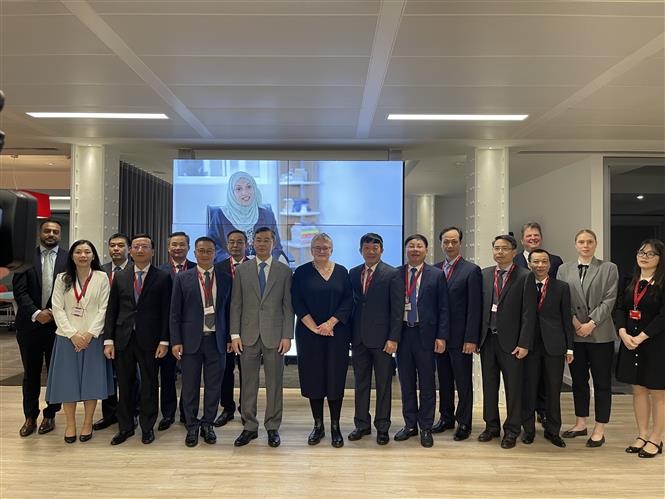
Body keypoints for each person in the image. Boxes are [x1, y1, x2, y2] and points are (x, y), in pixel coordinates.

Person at [104, 234, 172, 445]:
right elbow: (112, 310)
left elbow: (166, 312)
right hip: (124, 338)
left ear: (152, 251)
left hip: (151, 340)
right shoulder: (121, 277)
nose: (140, 250)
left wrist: (164, 340)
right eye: (136, 246)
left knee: (149, 384)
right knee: (124, 384)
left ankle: (147, 426)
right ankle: (125, 427)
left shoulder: (162, 277)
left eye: (145, 246)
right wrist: (108, 340)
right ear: (131, 251)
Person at [230, 227, 294, 448]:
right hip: (247, 336)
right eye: (258, 240)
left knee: (274, 383)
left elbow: (288, 307)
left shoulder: (284, 271)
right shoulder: (242, 270)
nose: (262, 244)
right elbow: (236, 304)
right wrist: (235, 334)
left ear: (273, 243)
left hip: (275, 336)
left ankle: (273, 426)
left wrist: (287, 335)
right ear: (252, 243)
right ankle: (249, 426)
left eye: (266, 240)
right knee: (248, 383)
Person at [46, 240, 114, 443]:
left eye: (87, 252)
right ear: (72, 256)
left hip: (93, 338)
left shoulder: (101, 277)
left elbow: (105, 308)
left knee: (91, 382)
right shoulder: (62, 278)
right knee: (68, 383)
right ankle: (70, 425)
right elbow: (56, 308)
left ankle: (87, 423)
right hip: (67, 339)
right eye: (78, 252)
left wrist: (90, 334)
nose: (83, 255)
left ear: (93, 256)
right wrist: (72, 334)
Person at [557, 228, 618, 447]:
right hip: (575, 335)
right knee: (579, 382)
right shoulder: (564, 269)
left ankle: (600, 427)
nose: (585, 245)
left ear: (595, 244)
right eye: (581, 241)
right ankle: (580, 422)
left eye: (589, 241)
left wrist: (591, 323)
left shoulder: (609, 268)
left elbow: (610, 299)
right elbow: (561, 298)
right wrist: (575, 323)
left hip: (600, 334)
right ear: (575, 245)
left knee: (601, 383)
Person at [291, 233, 353, 448]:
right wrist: (315, 328)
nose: (321, 251)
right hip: (309, 335)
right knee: (313, 378)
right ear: (311, 250)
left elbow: (348, 302)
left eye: (325, 247)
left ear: (331, 249)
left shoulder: (342, 272)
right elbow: (297, 302)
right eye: (317, 247)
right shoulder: (301, 272)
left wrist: (329, 324)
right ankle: (318, 425)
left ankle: (335, 426)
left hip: (337, 333)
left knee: (335, 378)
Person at [170, 237, 232, 447]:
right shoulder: (183, 278)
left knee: (214, 386)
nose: (205, 254)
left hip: (217, 340)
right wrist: (176, 340)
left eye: (209, 251)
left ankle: (208, 424)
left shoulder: (225, 278)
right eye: (201, 251)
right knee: (189, 386)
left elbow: (230, 311)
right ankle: (192, 425)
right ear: (194, 253)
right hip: (190, 342)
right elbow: (175, 313)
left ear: (215, 253)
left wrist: (231, 337)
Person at [478, 234, 536, 449]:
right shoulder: (484, 274)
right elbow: (479, 309)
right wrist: (476, 339)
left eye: (504, 248)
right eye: (496, 248)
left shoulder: (524, 276)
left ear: (513, 252)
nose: (499, 252)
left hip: (512, 343)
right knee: (489, 386)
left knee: (513, 388)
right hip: (487, 340)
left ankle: (512, 430)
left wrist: (524, 343)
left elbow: (529, 314)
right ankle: (491, 426)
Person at [394, 234, 449, 448]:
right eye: (411, 246)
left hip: (426, 335)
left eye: (419, 246)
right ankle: (410, 425)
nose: (415, 249)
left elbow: (443, 308)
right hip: (403, 334)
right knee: (406, 382)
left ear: (426, 250)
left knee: (427, 383)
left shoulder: (436, 275)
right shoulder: (396, 274)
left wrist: (442, 336)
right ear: (406, 249)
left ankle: (425, 426)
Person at [347, 233, 403, 445]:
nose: (370, 252)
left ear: (381, 250)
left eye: (375, 248)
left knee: (383, 385)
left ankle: (382, 427)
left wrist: (393, 338)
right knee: (360, 385)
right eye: (366, 248)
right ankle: (361, 424)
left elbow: (397, 310)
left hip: (383, 341)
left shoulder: (392, 274)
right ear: (360, 250)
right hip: (359, 339)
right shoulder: (353, 273)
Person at [13, 218, 67, 437]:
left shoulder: (67, 258)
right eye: (47, 231)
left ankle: (51, 414)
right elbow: (20, 291)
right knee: (31, 373)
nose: (51, 234)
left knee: (55, 374)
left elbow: (70, 291)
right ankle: (30, 416)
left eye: (55, 231)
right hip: (30, 326)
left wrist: (54, 313)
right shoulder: (25, 258)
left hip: (57, 327)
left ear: (60, 235)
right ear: (40, 233)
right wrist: (37, 313)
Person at [615, 239, 665, 458]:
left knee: (658, 393)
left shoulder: (662, 282)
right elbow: (620, 308)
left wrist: (642, 336)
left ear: (660, 259)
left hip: (656, 344)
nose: (644, 256)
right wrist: (623, 333)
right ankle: (642, 434)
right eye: (641, 252)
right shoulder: (629, 279)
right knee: (638, 390)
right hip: (630, 341)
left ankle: (656, 438)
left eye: (651, 254)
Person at [521, 249, 574, 448]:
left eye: (544, 262)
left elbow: (566, 319)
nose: (540, 265)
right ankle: (528, 430)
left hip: (554, 346)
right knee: (529, 388)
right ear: (529, 264)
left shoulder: (562, 287)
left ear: (550, 265)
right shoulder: (523, 285)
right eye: (536, 262)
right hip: (530, 346)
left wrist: (570, 348)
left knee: (553, 390)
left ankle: (553, 431)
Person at [433, 226, 482, 441]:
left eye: (454, 241)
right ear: (441, 244)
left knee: (463, 382)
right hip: (438, 338)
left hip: (461, 338)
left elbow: (475, 308)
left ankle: (464, 422)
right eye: (446, 241)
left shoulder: (471, 270)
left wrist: (471, 338)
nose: (450, 245)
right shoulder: (434, 270)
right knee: (443, 380)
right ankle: (446, 418)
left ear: (460, 243)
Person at [513, 221, 564, 425]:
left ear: (541, 238)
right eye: (529, 236)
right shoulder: (514, 260)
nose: (533, 239)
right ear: (522, 239)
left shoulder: (555, 261)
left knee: (546, 378)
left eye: (536, 236)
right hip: (523, 329)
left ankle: (543, 412)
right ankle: (527, 417)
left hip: (548, 330)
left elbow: (558, 292)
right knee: (526, 377)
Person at [93, 232, 138, 431]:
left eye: (120, 245)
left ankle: (132, 412)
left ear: (128, 248)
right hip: (103, 330)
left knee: (131, 376)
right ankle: (110, 414)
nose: (116, 249)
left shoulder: (135, 270)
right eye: (112, 245)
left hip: (130, 332)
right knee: (107, 375)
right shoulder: (100, 271)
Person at [157, 231, 196, 431]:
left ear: (188, 247)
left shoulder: (198, 270)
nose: (178, 248)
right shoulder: (159, 271)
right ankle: (168, 413)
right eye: (174, 245)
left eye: (182, 244)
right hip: (166, 332)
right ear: (168, 247)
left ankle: (187, 412)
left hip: (191, 332)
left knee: (190, 375)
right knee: (167, 374)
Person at [208, 171, 284, 262]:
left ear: (254, 188)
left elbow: (276, 247)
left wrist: (268, 261)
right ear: (231, 193)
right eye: (238, 189)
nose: (245, 192)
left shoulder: (267, 215)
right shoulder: (220, 215)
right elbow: (211, 246)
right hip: (231, 269)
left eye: (249, 187)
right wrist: (234, 261)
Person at [214, 229, 248, 427]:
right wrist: (227, 334)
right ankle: (227, 408)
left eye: (239, 242)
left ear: (246, 245)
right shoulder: (218, 268)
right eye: (232, 242)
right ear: (227, 245)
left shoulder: (254, 266)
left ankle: (246, 408)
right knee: (225, 372)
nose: (235, 245)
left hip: (249, 331)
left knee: (247, 372)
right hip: (224, 331)